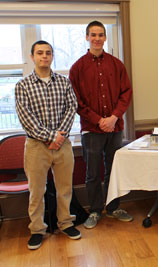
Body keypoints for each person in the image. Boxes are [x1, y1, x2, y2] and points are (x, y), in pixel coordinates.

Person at [15, 40, 81, 250]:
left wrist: (59, 138)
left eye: (48, 53)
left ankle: (66, 223)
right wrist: (52, 137)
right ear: (32, 57)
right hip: (36, 147)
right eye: (40, 53)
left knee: (64, 189)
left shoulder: (64, 82)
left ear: (52, 56)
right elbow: (27, 118)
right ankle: (37, 229)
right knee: (37, 191)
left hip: (63, 145)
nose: (45, 56)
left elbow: (72, 108)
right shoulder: (22, 86)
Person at [69, 21, 133, 229]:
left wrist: (114, 117)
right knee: (93, 173)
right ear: (87, 37)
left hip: (115, 128)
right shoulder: (77, 68)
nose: (97, 38)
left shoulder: (117, 64)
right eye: (93, 35)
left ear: (105, 38)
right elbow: (76, 101)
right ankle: (96, 210)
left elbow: (126, 93)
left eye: (100, 35)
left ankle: (113, 208)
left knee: (114, 170)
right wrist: (98, 120)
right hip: (91, 130)